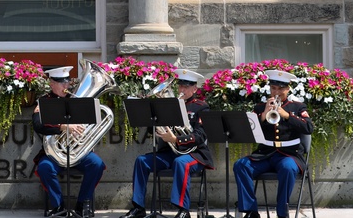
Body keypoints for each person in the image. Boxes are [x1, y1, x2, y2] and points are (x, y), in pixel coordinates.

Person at [122, 69, 215, 218]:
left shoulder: (201, 107)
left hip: (194, 154)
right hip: (169, 152)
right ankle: (138, 207)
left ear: (194, 89)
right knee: (141, 161)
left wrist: (176, 139)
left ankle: (183, 210)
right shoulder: (168, 105)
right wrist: (154, 122)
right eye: (180, 86)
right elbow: (153, 131)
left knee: (181, 162)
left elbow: (200, 135)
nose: (182, 89)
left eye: (186, 87)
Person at [233, 69, 313, 218]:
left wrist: (287, 115)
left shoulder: (297, 107)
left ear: (288, 89)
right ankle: (251, 211)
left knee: (287, 168)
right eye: (273, 88)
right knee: (241, 165)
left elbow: (309, 127)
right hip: (265, 154)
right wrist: (263, 115)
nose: (277, 92)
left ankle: (282, 213)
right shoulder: (259, 107)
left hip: (289, 154)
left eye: (281, 89)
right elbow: (249, 132)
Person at [33, 65, 106, 218]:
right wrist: (62, 127)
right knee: (44, 168)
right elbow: (37, 125)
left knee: (97, 164)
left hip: (78, 151)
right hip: (53, 153)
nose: (66, 86)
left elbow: (91, 122)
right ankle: (58, 206)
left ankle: (82, 205)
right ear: (52, 83)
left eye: (67, 82)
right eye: (61, 83)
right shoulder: (44, 102)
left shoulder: (78, 101)